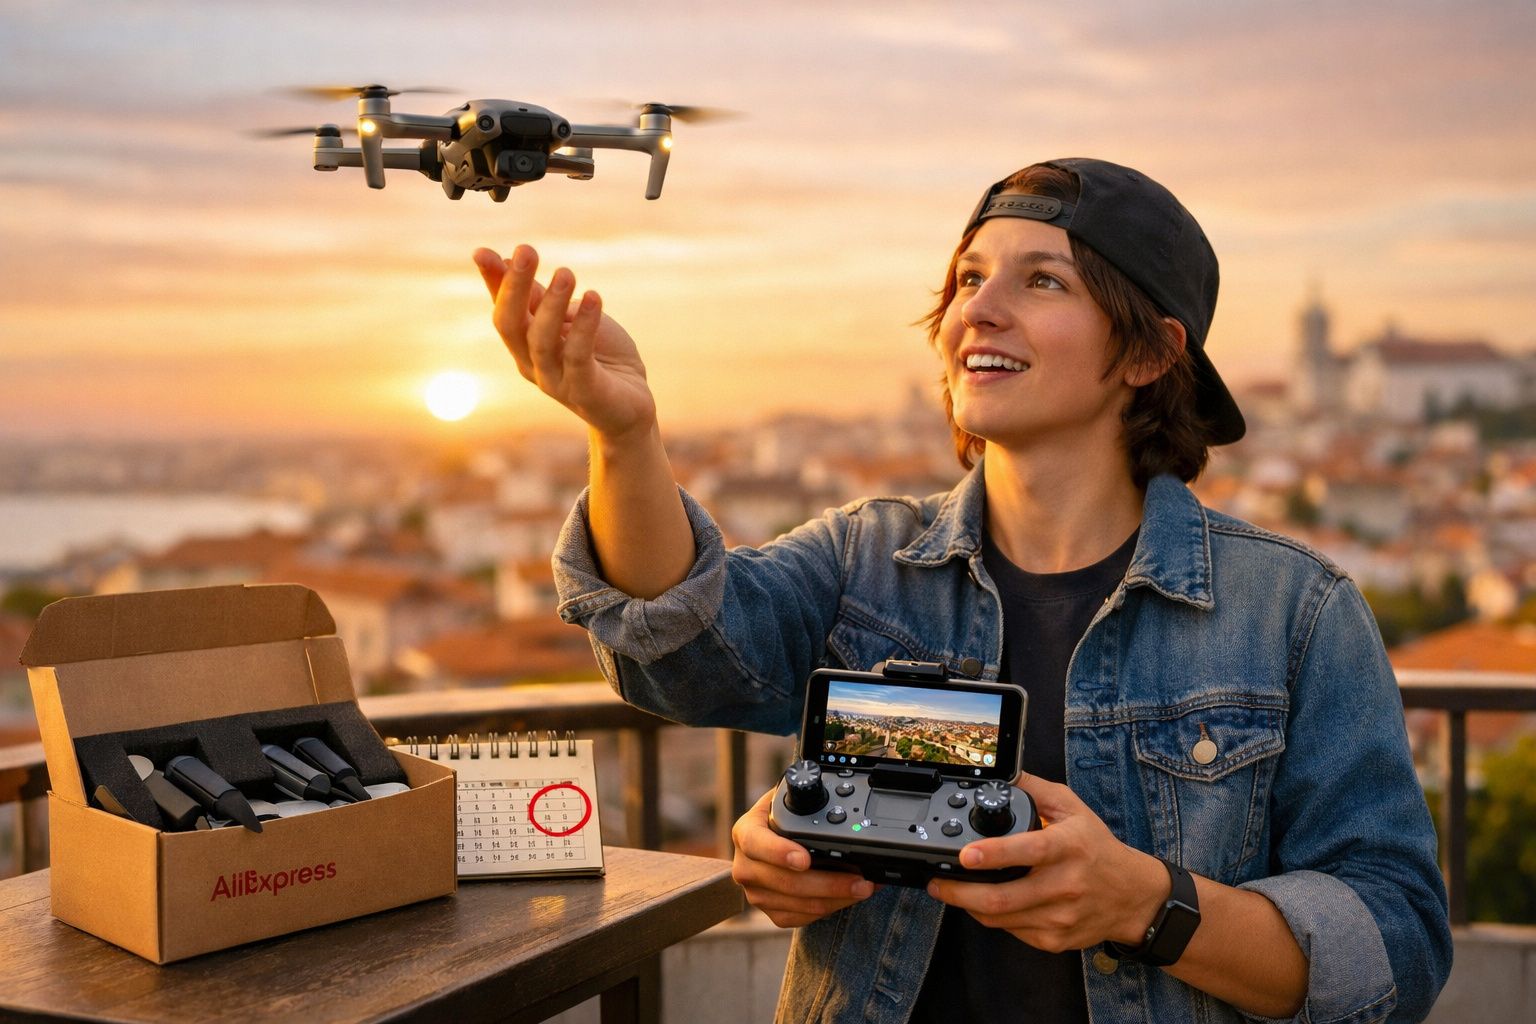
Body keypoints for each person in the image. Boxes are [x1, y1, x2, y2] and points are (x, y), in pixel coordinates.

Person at [472, 158, 1452, 1023]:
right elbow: (681, 654)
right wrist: (624, 437)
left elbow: (1395, 944)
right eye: (968, 280)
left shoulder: (1293, 612)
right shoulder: (865, 557)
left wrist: (1146, 903)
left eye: (1042, 280)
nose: (979, 308)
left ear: (1151, 353)